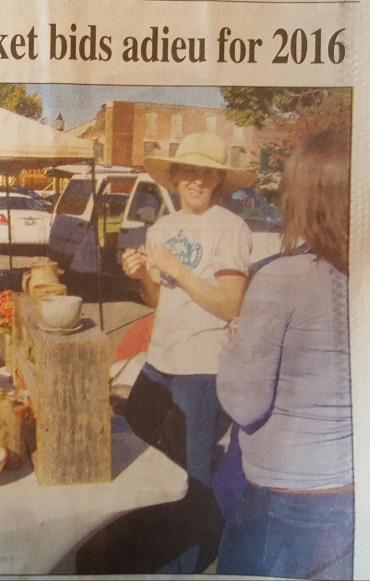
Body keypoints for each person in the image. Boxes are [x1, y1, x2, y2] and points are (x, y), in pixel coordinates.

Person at [216, 130, 353, 579]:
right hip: (353, 495)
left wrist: (233, 345)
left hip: (285, 503)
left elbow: (244, 403)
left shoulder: (282, 278)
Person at [121, 132, 255, 572]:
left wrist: (176, 268)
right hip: (160, 362)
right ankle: (148, 546)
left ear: (217, 180)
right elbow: (158, 300)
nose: (196, 181)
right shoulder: (163, 227)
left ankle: (188, 564)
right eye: (188, 172)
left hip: (201, 371)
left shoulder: (231, 228)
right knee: (138, 453)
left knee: (193, 479)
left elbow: (232, 303)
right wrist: (142, 275)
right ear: (175, 177)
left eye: (206, 173)